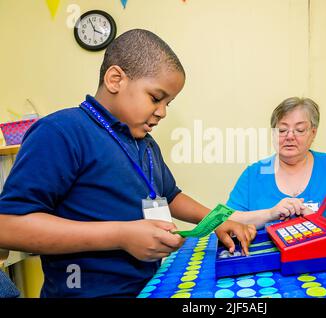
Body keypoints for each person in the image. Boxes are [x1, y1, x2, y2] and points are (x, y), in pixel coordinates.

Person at [0, 29, 256, 298]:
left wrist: (217, 220)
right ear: (115, 79)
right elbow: (7, 226)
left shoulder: (145, 143)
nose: (163, 112)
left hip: (147, 287)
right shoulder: (61, 132)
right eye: (156, 98)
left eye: (169, 103)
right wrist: (121, 235)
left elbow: (169, 196)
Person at [226, 97, 326, 228]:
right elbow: (224, 220)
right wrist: (270, 214)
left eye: (300, 129)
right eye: (282, 130)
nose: (290, 136)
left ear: (313, 133)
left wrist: (317, 218)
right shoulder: (253, 174)